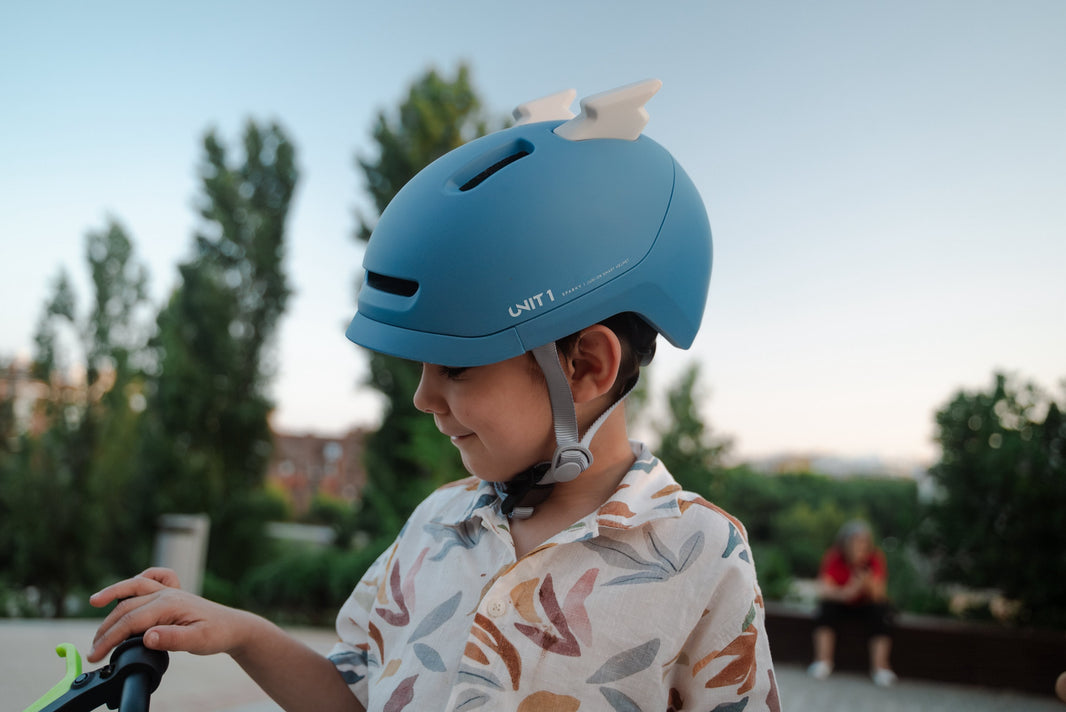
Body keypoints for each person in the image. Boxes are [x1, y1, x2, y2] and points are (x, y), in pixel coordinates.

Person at [87, 79, 779, 711]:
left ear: (586, 366)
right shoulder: (437, 525)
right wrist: (244, 633)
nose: (422, 397)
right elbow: (353, 698)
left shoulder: (701, 556)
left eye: (457, 366)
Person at [807, 519, 897, 687]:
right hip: (841, 603)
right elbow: (824, 589)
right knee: (825, 609)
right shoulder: (834, 556)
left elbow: (879, 594)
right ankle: (823, 661)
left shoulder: (875, 558)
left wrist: (867, 583)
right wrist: (846, 592)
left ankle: (880, 668)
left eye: (863, 542)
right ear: (845, 542)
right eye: (855, 541)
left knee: (882, 613)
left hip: (867, 605)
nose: (859, 546)